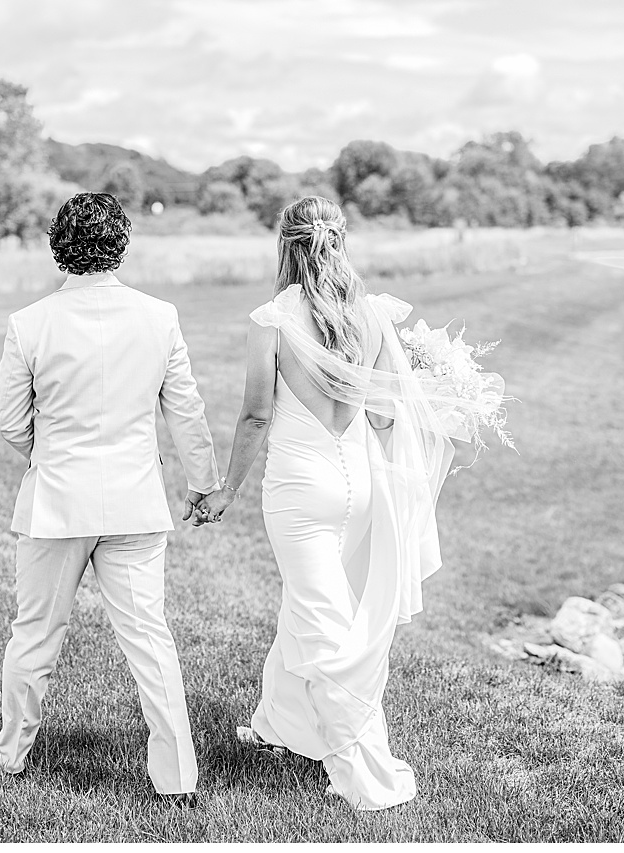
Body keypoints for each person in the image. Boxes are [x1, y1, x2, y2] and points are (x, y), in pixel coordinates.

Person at [193, 194, 458, 810]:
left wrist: (224, 491)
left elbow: (257, 415)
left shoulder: (273, 319)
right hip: (359, 484)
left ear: (284, 245)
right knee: (306, 605)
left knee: (326, 630)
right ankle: (277, 725)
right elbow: (390, 413)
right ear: (340, 241)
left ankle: (365, 776)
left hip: (300, 493)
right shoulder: (370, 315)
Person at [0, 192, 220, 804]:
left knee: (35, 631)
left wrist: (48, 454)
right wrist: (202, 484)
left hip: (54, 501)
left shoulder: (30, 323)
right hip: (135, 501)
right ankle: (178, 777)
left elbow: (7, 419)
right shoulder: (159, 317)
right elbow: (186, 411)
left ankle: (12, 752)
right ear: (121, 243)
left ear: (59, 245)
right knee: (150, 637)